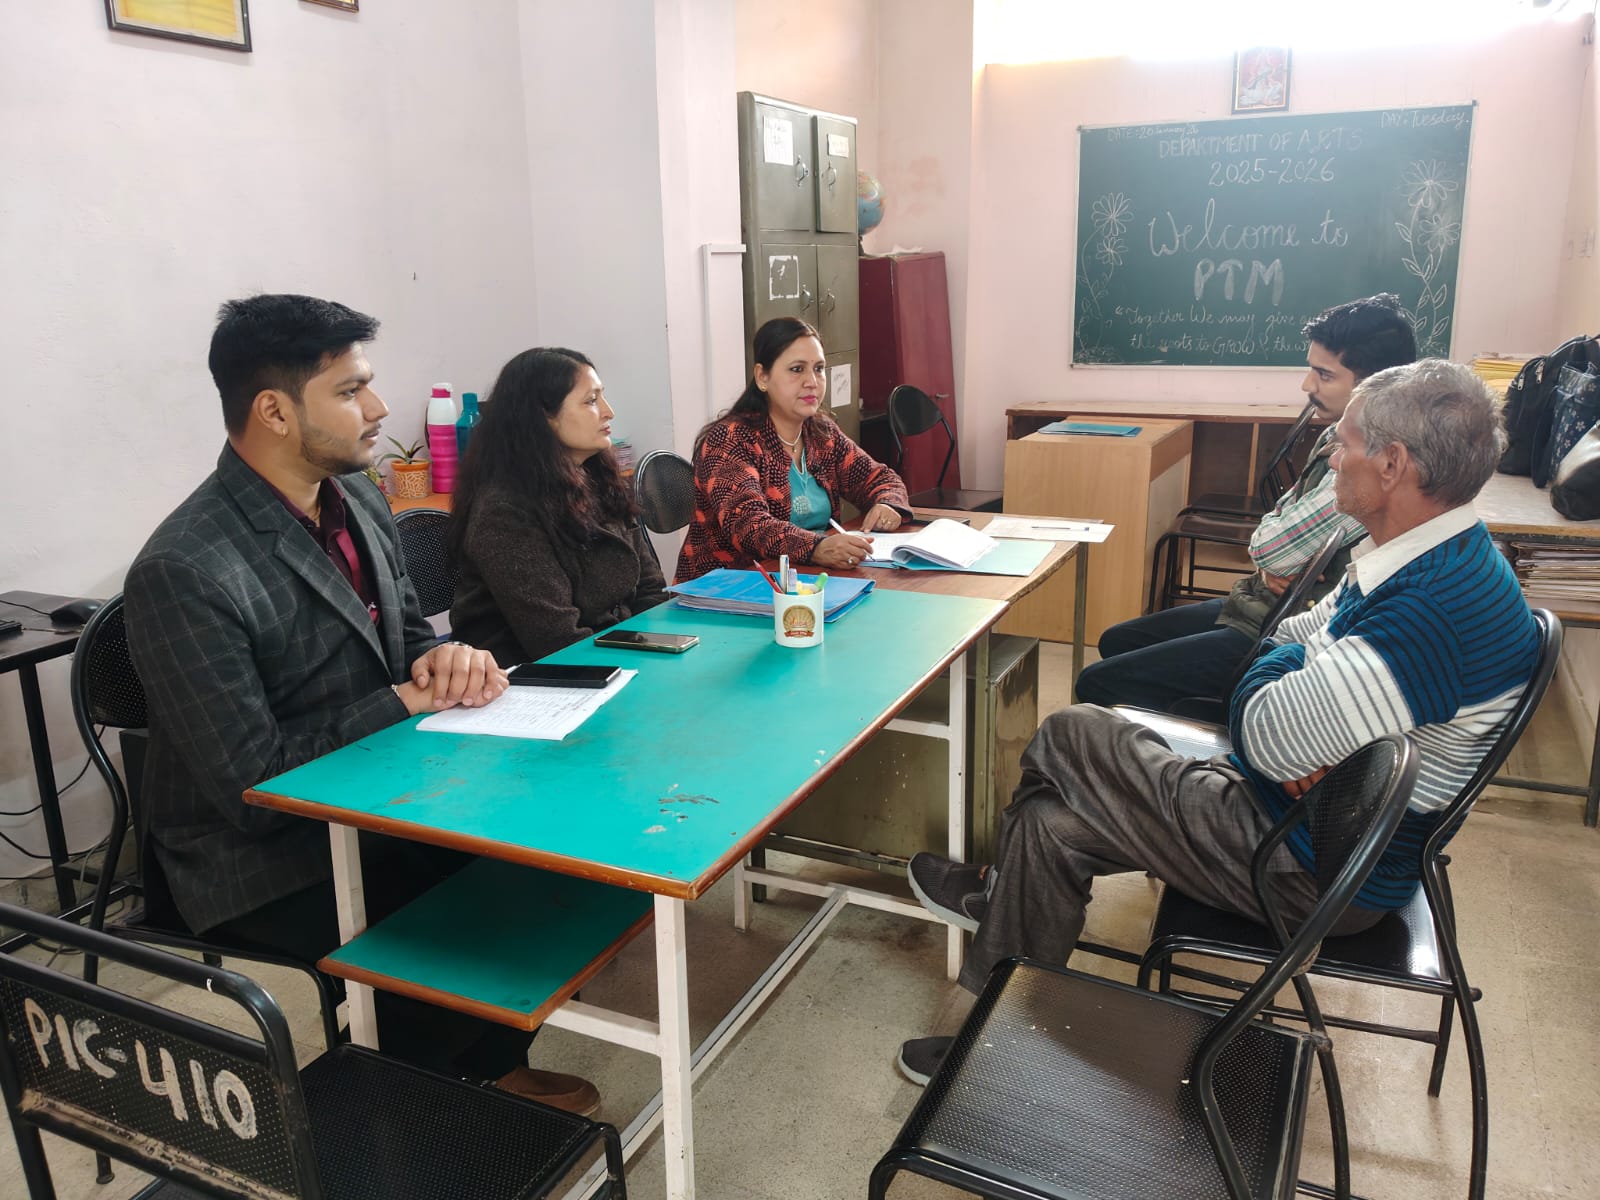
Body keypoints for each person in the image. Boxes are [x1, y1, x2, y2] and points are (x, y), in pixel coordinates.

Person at [897, 359, 1539, 1085]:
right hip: (1304, 821)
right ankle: (994, 1025)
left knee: (1074, 733)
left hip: (1312, 868)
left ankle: (996, 906)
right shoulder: (1430, 555)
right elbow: (1288, 640)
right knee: (1050, 824)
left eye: (1347, 442)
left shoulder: (1431, 611)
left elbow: (1262, 732)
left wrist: (1281, 694)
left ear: (1392, 465)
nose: (1333, 453)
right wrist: (1292, 688)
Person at [124, 294, 599, 1114]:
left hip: (379, 779)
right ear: (274, 411)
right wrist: (403, 699)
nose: (378, 408)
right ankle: (415, 1106)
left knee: (538, 850)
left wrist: (442, 660)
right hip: (255, 854)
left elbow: (407, 635)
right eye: (350, 391)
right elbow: (249, 783)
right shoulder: (186, 568)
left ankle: (485, 1066)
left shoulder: (359, 499)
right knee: (447, 909)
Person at [1075, 294, 1418, 713]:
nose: (1307, 386)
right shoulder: (1337, 437)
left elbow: (1272, 548)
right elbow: (1277, 523)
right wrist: (1274, 555)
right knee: (1117, 640)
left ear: (1375, 386)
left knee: (1098, 682)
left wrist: (1274, 552)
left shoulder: (1372, 465)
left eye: (1324, 375)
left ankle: (1194, 729)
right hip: (1258, 600)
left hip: (1276, 629)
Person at [449, 347, 667, 665]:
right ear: (543, 417)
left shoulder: (597, 478)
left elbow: (651, 588)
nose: (608, 412)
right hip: (530, 677)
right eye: (591, 401)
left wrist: (658, 646)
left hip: (609, 652)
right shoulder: (504, 510)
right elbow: (556, 640)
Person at [675, 316, 911, 581]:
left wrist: (887, 503)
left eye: (819, 369)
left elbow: (879, 478)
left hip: (808, 580)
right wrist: (816, 548)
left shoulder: (820, 432)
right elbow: (748, 525)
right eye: (797, 369)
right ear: (762, 377)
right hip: (729, 588)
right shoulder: (729, 440)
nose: (812, 381)